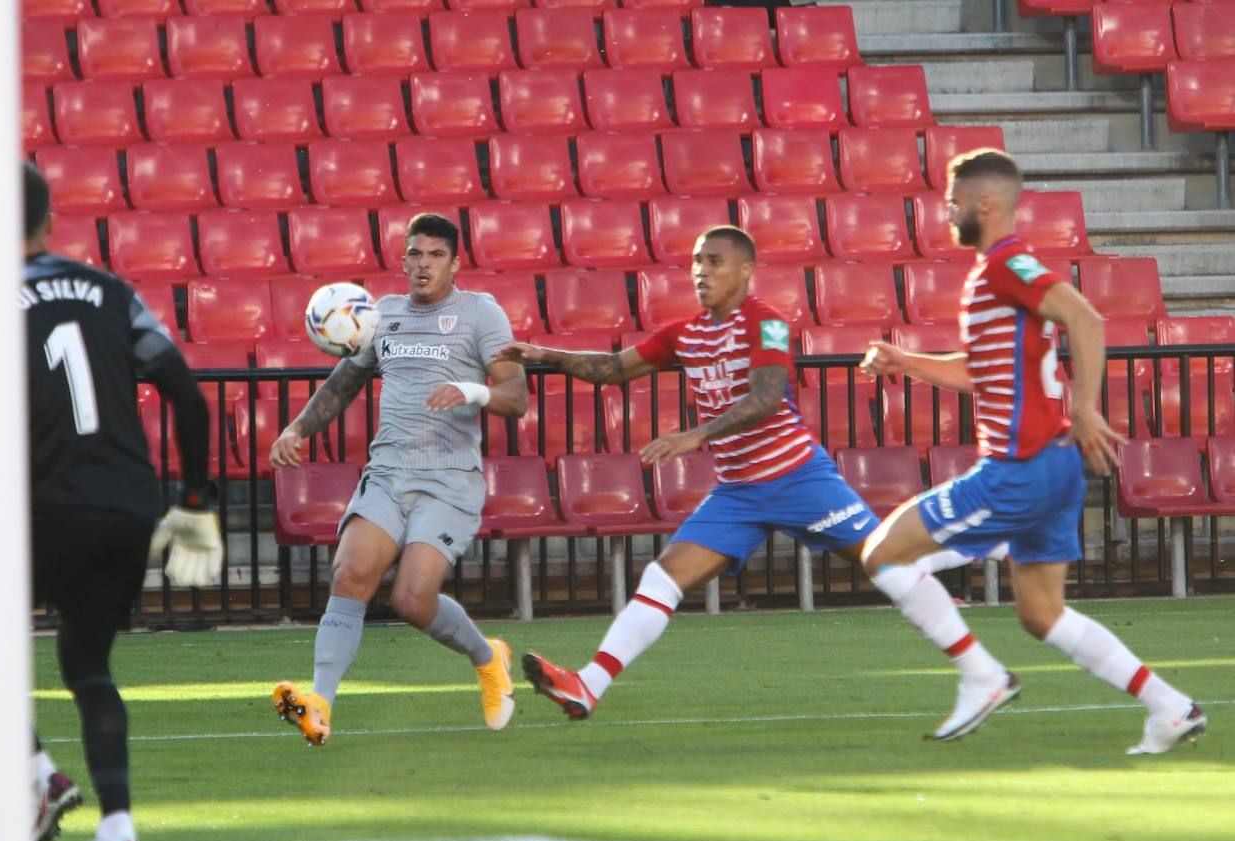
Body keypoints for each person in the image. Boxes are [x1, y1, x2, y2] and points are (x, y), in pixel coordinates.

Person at [491, 225, 999, 721]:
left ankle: (986, 639)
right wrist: (549, 356)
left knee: (889, 565)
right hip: (738, 492)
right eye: (696, 261)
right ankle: (588, 685)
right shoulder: (686, 334)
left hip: (799, 478)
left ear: (746, 269)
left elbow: (768, 395)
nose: (700, 271)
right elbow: (613, 368)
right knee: (663, 577)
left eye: (714, 261)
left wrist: (698, 434)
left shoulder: (767, 322)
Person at [0, 163, 223, 841]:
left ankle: (39, 773)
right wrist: (197, 501)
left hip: (41, 505)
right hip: (128, 507)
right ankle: (118, 830)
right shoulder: (114, 293)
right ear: (50, 223)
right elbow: (188, 395)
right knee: (87, 663)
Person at [859, 149, 1206, 753]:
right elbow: (983, 372)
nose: (947, 209)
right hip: (1055, 468)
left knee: (882, 553)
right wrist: (905, 361)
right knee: (1041, 615)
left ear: (984, 205)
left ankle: (981, 675)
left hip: (1018, 470)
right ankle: (1169, 708)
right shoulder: (999, 274)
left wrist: (1088, 407)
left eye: (954, 199)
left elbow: (1086, 319)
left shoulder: (1003, 265)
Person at [268, 213, 526, 747]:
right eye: (414, 254)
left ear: (456, 263)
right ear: (403, 259)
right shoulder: (381, 315)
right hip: (388, 472)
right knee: (351, 574)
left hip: (449, 479)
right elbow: (343, 384)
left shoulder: (481, 314)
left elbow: (516, 397)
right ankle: (319, 705)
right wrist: (297, 429)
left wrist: (472, 391)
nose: (423, 264)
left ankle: (488, 658)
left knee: (411, 600)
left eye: (435, 255)